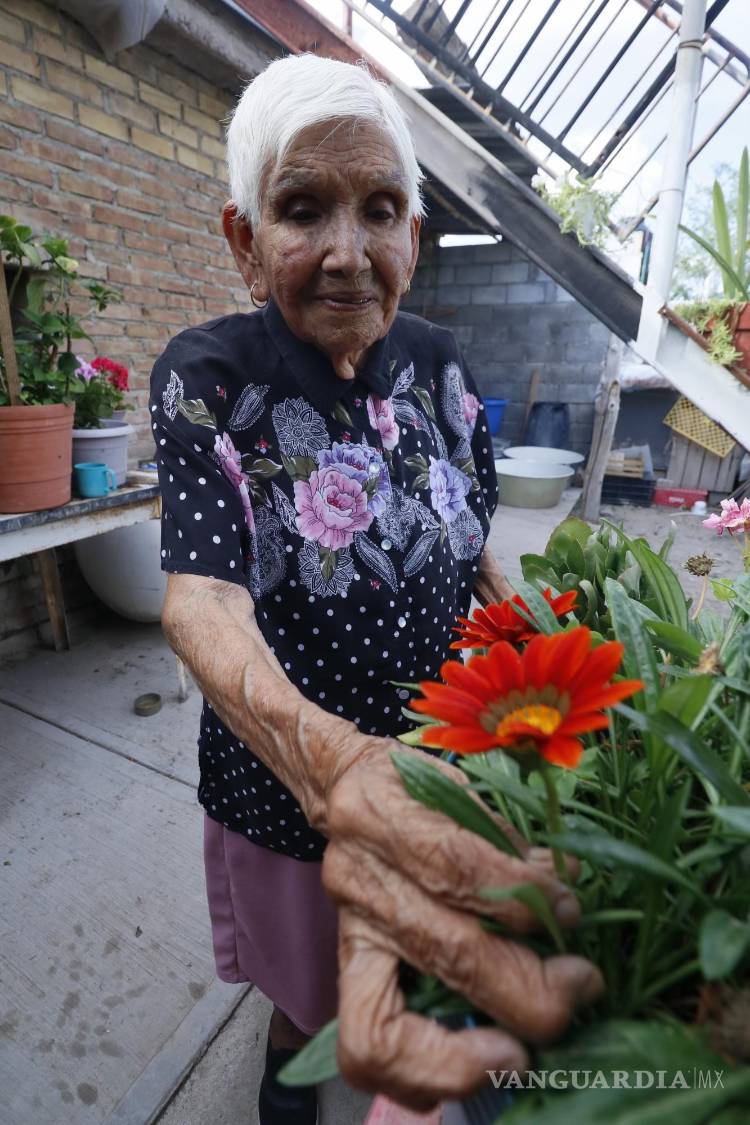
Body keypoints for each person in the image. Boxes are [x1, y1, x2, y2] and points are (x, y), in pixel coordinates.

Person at [150, 53, 602, 1123]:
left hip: (448, 772)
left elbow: (473, 550)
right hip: (286, 788)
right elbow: (201, 600)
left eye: (382, 211)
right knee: (313, 1016)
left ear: (414, 238)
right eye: (304, 209)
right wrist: (340, 766)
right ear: (246, 242)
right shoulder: (211, 377)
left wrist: (553, 663)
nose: (350, 255)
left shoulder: (445, 366)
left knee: (439, 991)